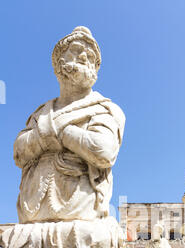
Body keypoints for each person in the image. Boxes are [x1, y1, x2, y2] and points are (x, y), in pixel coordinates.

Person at [14, 26, 125, 223]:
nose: (84, 56)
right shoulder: (41, 112)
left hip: (81, 211)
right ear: (59, 64)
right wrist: (62, 135)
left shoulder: (105, 109)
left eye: (91, 56)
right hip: (33, 210)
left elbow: (104, 151)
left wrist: (58, 132)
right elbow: (19, 152)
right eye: (76, 49)